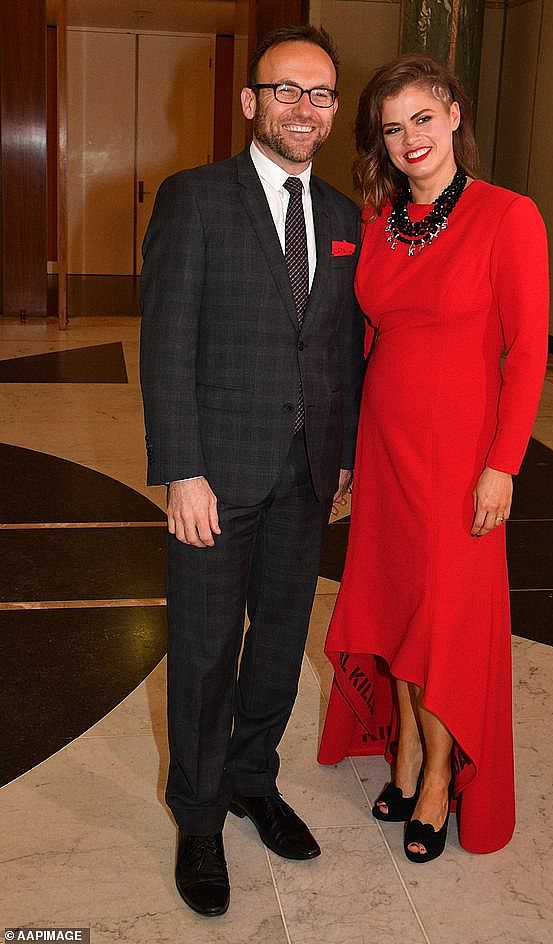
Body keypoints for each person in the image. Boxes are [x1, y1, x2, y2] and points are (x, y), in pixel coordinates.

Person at [140, 25, 364, 916]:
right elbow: (166, 344)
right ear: (250, 101)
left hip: (307, 475)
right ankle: (197, 818)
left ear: (334, 110)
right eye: (286, 90)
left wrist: (339, 455)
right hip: (216, 474)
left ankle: (251, 782)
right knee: (200, 654)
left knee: (275, 645)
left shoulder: (344, 217)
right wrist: (181, 471)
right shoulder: (195, 199)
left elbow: (341, 347)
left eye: (320, 95)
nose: (304, 109)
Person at [318, 53, 549, 863]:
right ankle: (410, 746)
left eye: (422, 117)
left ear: (453, 113)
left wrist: (503, 464)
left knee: (448, 619)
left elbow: (526, 355)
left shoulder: (507, 216)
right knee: (398, 608)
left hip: (461, 458)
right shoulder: (378, 227)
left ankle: (443, 775)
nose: (409, 138)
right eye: (392, 127)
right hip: (386, 452)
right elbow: (370, 342)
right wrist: (347, 452)